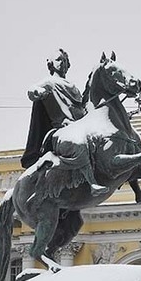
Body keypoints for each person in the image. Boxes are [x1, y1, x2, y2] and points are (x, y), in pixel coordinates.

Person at [24, 49, 108, 198]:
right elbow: (32, 89)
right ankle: (92, 183)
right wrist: (36, 92)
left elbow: (81, 108)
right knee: (79, 144)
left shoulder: (72, 87)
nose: (62, 63)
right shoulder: (49, 83)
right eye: (58, 60)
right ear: (50, 64)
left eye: (64, 60)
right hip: (60, 129)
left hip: (77, 125)